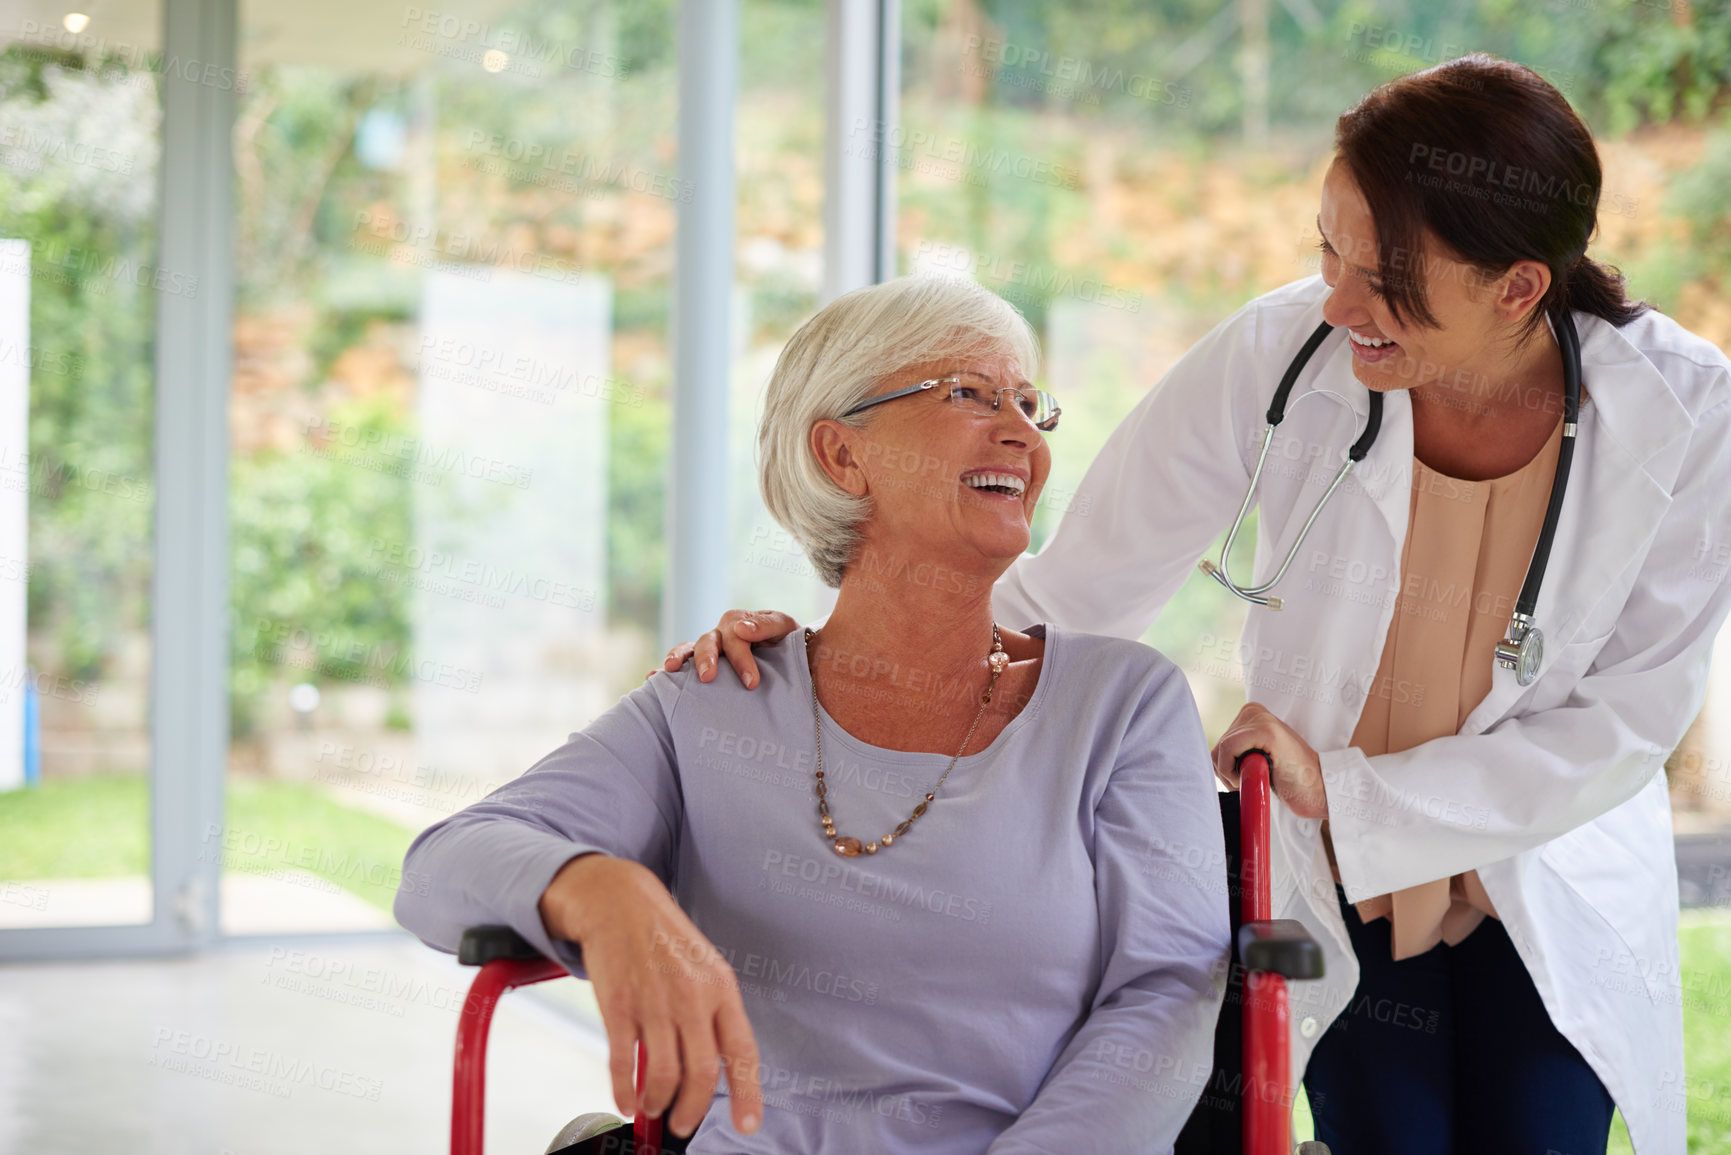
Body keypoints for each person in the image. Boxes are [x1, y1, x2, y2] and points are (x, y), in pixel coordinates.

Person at [669, 55, 1731, 1154]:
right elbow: (1075, 593)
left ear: (1517, 288)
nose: (1339, 302)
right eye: (1331, 250)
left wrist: (1351, 789)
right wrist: (831, 663)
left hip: (1541, 856)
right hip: (1336, 873)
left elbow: (1628, 722)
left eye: (1388, 279)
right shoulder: (1282, 357)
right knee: (1387, 1134)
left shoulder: (1686, 416)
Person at [396, 274, 1232, 1154]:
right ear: (840, 456)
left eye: (1028, 403)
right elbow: (436, 873)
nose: (1022, 433)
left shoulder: (1121, 704)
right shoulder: (713, 699)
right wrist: (601, 886)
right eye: (970, 394)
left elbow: (1166, 993)